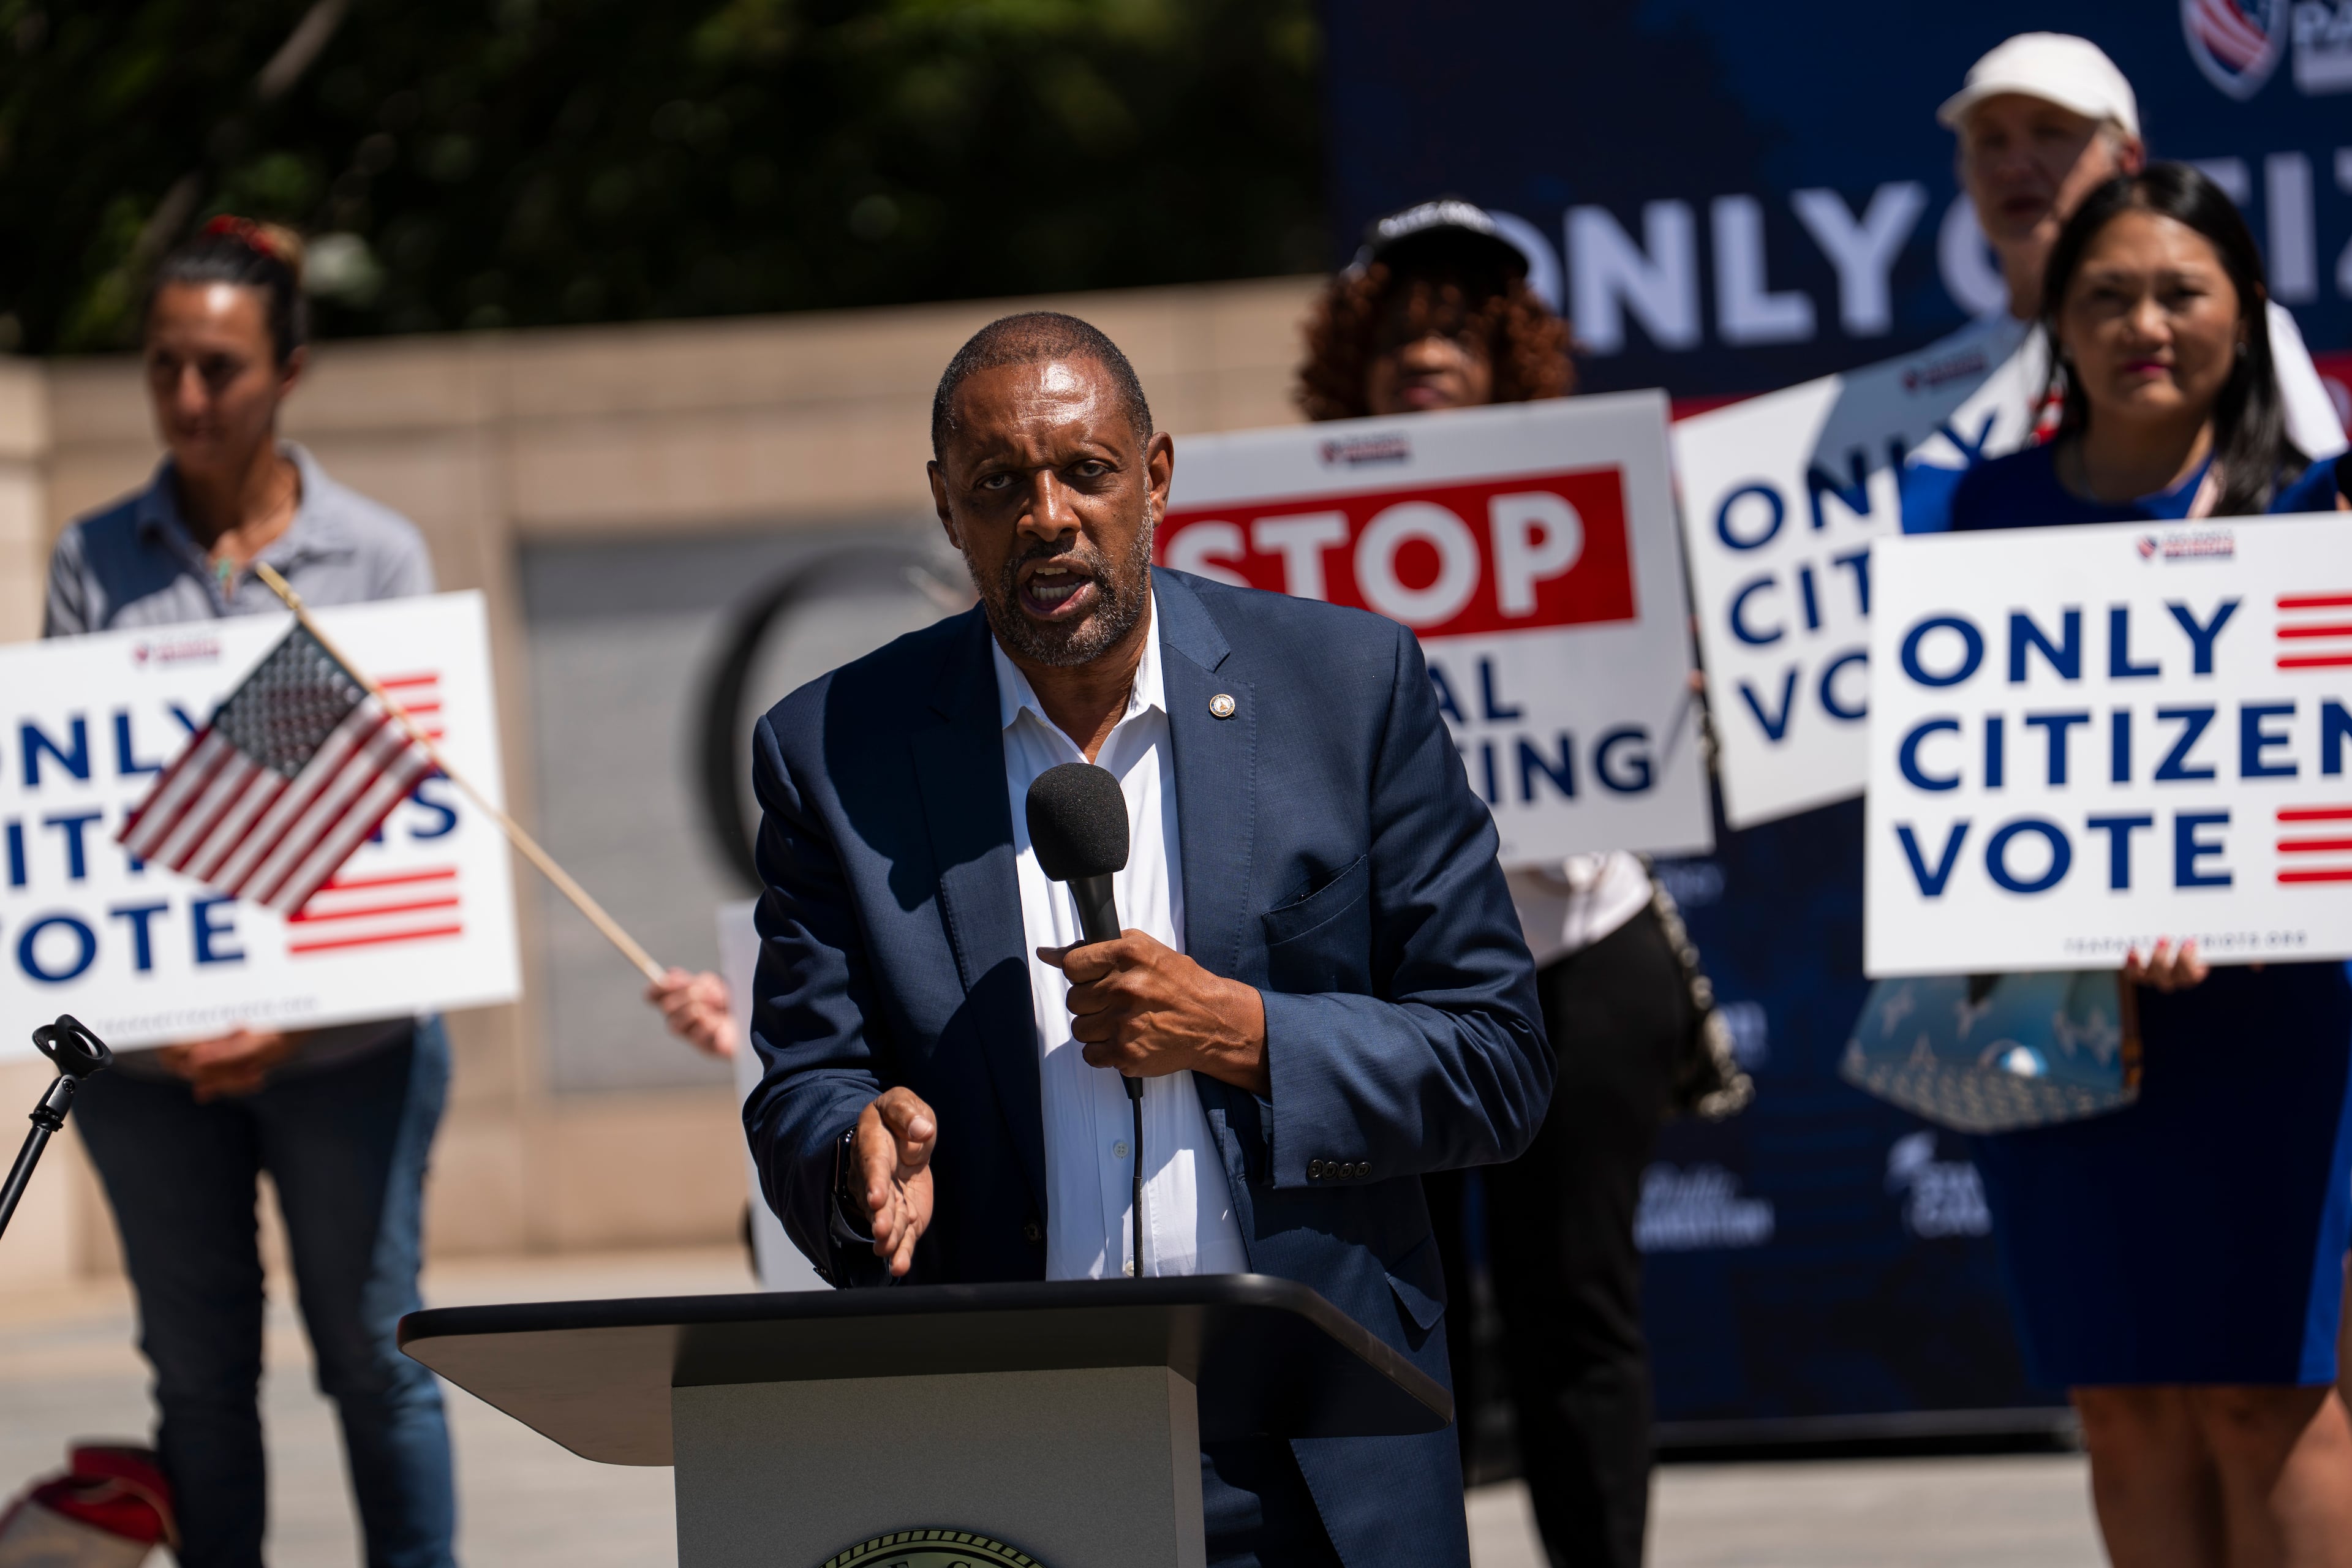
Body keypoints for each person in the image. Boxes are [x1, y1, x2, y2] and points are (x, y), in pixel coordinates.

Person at [741, 310, 1550, 1567]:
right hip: (1007, 1454)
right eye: (1000, 482)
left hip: (1314, 1454)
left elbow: (1497, 1061)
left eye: (1087, 471)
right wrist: (851, 1154)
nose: (1048, 514)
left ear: (1157, 477)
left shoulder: (1348, 691)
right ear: (947, 506)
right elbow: (802, 1086)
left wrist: (1252, 1034)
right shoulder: (831, 752)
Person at [1950, 164, 2352, 1568]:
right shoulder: (1976, 515)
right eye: (2104, 294)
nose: (2144, 322)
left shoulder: (2316, 517)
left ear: (2242, 311)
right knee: (2120, 1406)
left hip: (2272, 1024)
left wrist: (2225, 909)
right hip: (2053, 1025)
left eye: (2178, 290)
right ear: (2053, 319)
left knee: (2264, 1399)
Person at [42, 218, 457, 1568]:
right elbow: (87, 816)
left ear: (290, 372)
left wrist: (287, 1013)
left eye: (218, 367)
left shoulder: (379, 555)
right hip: (151, 1072)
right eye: (163, 366)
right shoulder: (88, 561)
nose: (187, 398)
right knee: (201, 1383)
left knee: (376, 1356)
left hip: (349, 1053)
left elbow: (406, 829)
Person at [1300, 198, 1695, 1568]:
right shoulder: (1289, 537)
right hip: (1387, 991)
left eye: (1460, 334)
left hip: (1582, 956)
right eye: (1401, 329)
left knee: (1575, 1312)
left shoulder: (1606, 503)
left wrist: (1669, 700)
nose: (1427, 355)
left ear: (1513, 355)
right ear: (1349, 356)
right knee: (1391, 1311)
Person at [1903, 32, 2345, 533]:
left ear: (2127, 158)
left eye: (2050, 132)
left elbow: (2321, 528)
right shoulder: (1933, 387)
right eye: (1991, 140)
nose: (2014, 166)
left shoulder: (2238, 332)